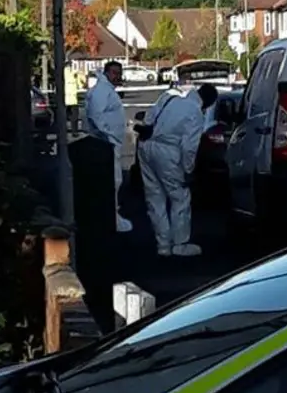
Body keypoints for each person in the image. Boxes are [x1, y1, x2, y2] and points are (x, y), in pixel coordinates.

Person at [138, 83, 218, 256]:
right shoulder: (195, 113)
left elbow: (148, 119)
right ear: (208, 102)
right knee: (179, 197)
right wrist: (188, 170)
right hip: (168, 151)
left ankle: (163, 244)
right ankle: (180, 244)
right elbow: (189, 147)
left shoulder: (169, 98)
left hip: (146, 146)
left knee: (154, 196)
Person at [84, 60, 133, 233]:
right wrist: (109, 136)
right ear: (106, 72)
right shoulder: (102, 91)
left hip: (110, 143)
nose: (117, 77)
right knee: (112, 181)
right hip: (107, 144)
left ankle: (113, 216)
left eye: (119, 73)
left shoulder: (106, 90)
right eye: (113, 73)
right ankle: (111, 219)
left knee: (115, 181)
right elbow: (95, 116)